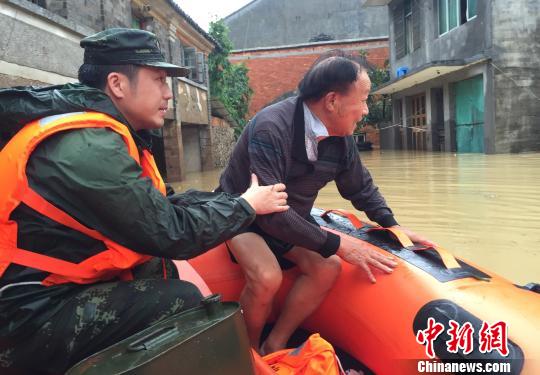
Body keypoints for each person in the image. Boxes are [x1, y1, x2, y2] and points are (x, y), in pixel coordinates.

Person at [0, 28, 289, 374]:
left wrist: (231, 201)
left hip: (51, 288)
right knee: (184, 300)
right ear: (118, 84)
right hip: (25, 316)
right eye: (159, 80)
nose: (169, 94)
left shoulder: (107, 132)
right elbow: (171, 233)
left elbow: (163, 202)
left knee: (157, 267)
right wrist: (245, 207)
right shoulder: (88, 148)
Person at [217, 52, 435, 354]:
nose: (365, 111)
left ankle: (275, 343)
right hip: (246, 216)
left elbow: (360, 187)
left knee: (327, 268)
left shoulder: (339, 136)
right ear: (332, 101)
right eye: (363, 99)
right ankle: (249, 354)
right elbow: (270, 214)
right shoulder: (271, 127)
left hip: (291, 218)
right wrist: (340, 244)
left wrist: (392, 225)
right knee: (267, 276)